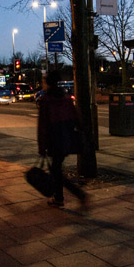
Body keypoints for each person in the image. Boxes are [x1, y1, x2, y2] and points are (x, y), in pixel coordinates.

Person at [36, 71, 87, 208]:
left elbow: (43, 125)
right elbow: (77, 118)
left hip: (54, 138)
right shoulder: (65, 98)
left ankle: (69, 196)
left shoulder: (45, 100)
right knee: (56, 168)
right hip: (66, 137)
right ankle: (61, 196)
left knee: (56, 170)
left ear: (47, 82)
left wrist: (41, 146)